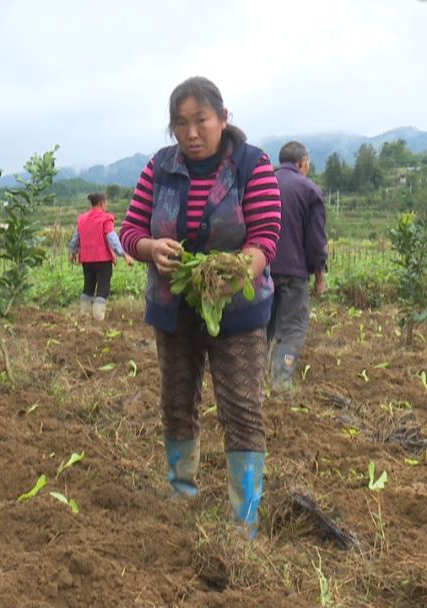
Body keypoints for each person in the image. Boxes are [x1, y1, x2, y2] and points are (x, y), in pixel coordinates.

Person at [119, 76, 282, 538]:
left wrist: (237, 269)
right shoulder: (160, 167)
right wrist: (151, 248)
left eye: (201, 121)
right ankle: (181, 494)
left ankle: (244, 517)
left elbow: (267, 234)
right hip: (175, 309)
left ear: (223, 119)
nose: (191, 133)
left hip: (237, 313)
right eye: (181, 124)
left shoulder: (252, 164)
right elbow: (131, 230)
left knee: (242, 409)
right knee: (176, 402)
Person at [267, 141, 327, 392]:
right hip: (294, 273)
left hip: (262, 269)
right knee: (293, 327)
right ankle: (280, 383)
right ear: (302, 162)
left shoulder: (263, 184)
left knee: (263, 325)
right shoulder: (309, 190)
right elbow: (315, 239)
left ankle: (254, 381)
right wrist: (320, 275)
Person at [68, 192, 135, 320]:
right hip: (103, 260)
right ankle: (98, 316)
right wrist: (124, 254)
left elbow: (76, 238)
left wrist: (73, 252)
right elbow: (112, 237)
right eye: (106, 202)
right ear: (102, 203)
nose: (107, 205)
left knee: (88, 286)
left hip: (86, 260)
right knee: (103, 288)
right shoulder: (106, 218)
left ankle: (84, 314)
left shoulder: (82, 218)